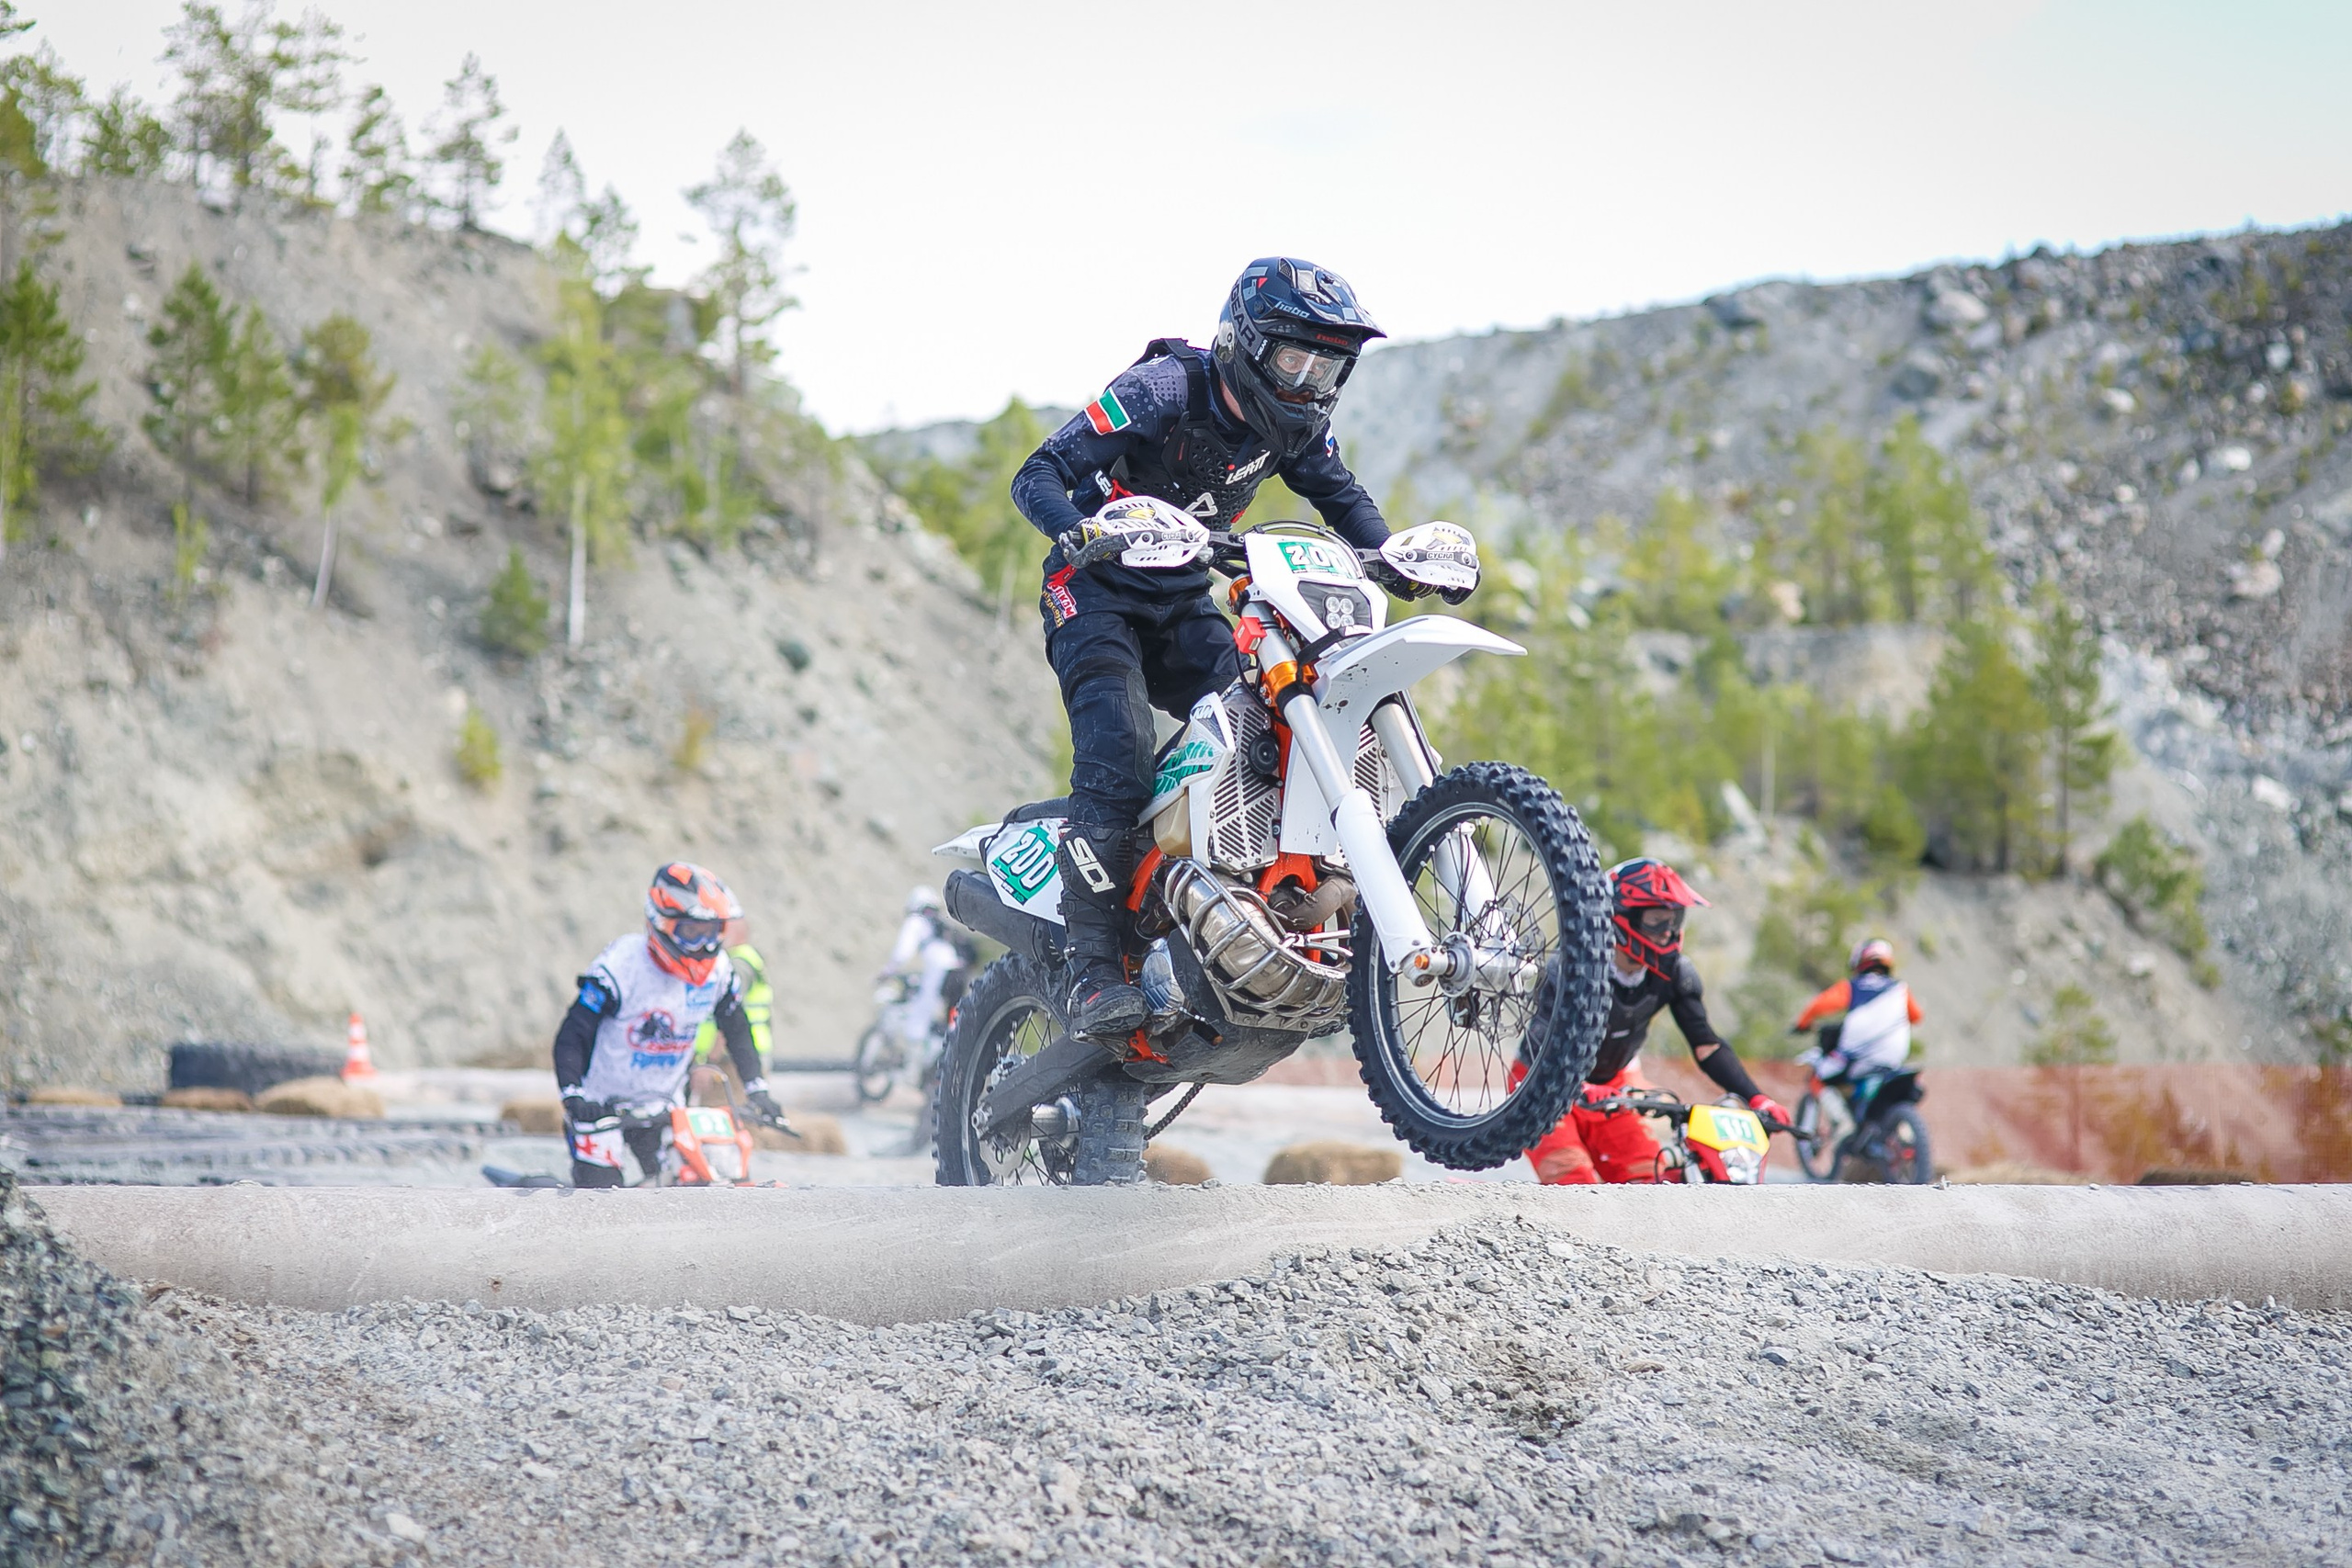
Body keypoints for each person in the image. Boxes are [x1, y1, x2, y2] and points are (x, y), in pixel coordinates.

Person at [1010, 257, 1411, 1039]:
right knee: (1120, 747)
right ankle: (1093, 966)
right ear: (1245, 343)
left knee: (1270, 728)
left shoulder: (1292, 424)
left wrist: (1392, 554)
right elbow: (1040, 472)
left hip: (1183, 594)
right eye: (1294, 358)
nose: (1307, 379)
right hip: (1093, 591)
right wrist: (1080, 531)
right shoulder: (1164, 387)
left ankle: (1250, 910)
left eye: (1327, 364)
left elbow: (1342, 498)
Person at [1520, 858, 1792, 1184]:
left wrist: (1757, 1097)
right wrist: (1577, 1086)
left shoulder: (1676, 972)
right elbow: (1541, 1042)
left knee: (1648, 1180)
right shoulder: (1573, 966)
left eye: (1675, 920)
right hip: (1543, 1084)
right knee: (1571, 1176)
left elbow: (1706, 1045)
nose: (1668, 933)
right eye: (1656, 921)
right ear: (1619, 919)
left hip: (1610, 1089)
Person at [554, 863, 790, 1187]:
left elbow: (736, 1028)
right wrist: (574, 1096)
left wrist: (758, 1090)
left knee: (696, 1187)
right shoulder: (621, 965)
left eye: (712, 933)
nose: (704, 946)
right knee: (601, 1201)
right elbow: (572, 1033)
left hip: (666, 1105)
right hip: (602, 1107)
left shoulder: (720, 971)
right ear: (661, 923)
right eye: (691, 933)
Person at [1792, 937, 1923, 1121]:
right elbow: (1917, 1016)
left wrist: (1803, 1022)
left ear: (1860, 961)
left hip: (1859, 1057)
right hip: (1894, 1059)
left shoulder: (1853, 986)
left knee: (1818, 1077)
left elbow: (1819, 1005)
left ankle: (1842, 1122)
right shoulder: (1900, 989)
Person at [882, 886, 977, 1048]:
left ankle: (913, 1062)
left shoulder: (917, 921)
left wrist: (889, 970)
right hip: (961, 974)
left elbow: (903, 950)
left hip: (940, 972)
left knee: (920, 1015)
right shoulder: (942, 924)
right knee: (951, 1020)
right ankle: (946, 1051)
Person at [691, 898, 775, 1072]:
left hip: (730, 1061)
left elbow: (730, 1013)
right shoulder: (744, 958)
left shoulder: (737, 963)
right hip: (738, 1057)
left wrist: (710, 1061)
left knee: (722, 1100)